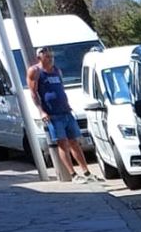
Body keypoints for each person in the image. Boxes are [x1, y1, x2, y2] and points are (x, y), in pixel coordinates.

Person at [27, 47, 95, 182]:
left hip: (66, 111)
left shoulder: (57, 71)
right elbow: (33, 93)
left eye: (50, 56)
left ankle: (86, 172)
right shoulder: (35, 71)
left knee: (74, 141)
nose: (49, 58)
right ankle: (73, 174)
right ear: (39, 58)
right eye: (46, 56)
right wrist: (42, 111)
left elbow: (61, 89)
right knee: (62, 143)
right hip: (52, 114)